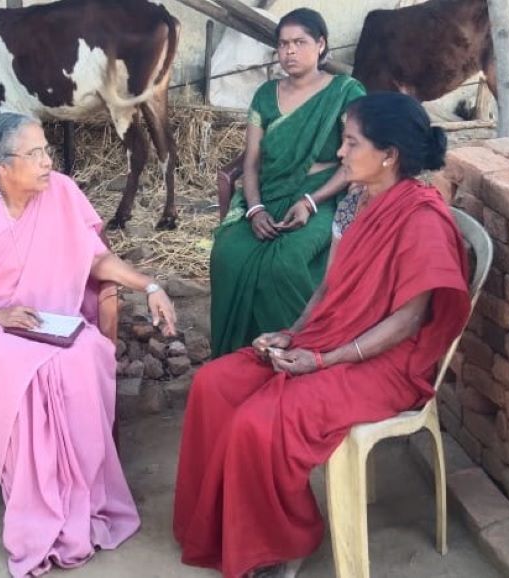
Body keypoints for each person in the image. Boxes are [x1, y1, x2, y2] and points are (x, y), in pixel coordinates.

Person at [173, 92, 472, 577]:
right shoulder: (357, 198)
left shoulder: (420, 218)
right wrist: (292, 333)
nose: (340, 153)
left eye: (351, 143)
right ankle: (219, 528)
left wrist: (326, 360)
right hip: (328, 337)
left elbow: (408, 322)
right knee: (213, 385)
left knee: (259, 421)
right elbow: (330, 285)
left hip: (385, 363)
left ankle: (283, 542)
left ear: (389, 155)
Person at [0, 112, 177, 577]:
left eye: (46, 151)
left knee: (86, 355)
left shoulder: (61, 192)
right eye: (34, 154)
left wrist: (150, 285)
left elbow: (96, 257)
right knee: (32, 372)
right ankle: (40, 516)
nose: (46, 162)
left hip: (49, 319)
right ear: (2, 166)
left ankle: (80, 503)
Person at [209, 8, 366, 358]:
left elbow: (354, 162)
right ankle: (236, 357)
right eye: (283, 44)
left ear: (321, 45)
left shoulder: (345, 92)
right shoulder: (265, 94)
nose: (289, 51)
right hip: (267, 192)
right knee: (227, 254)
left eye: (299, 42)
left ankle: (301, 351)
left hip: (325, 196)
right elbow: (250, 162)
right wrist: (254, 208)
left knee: (284, 263)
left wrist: (311, 202)